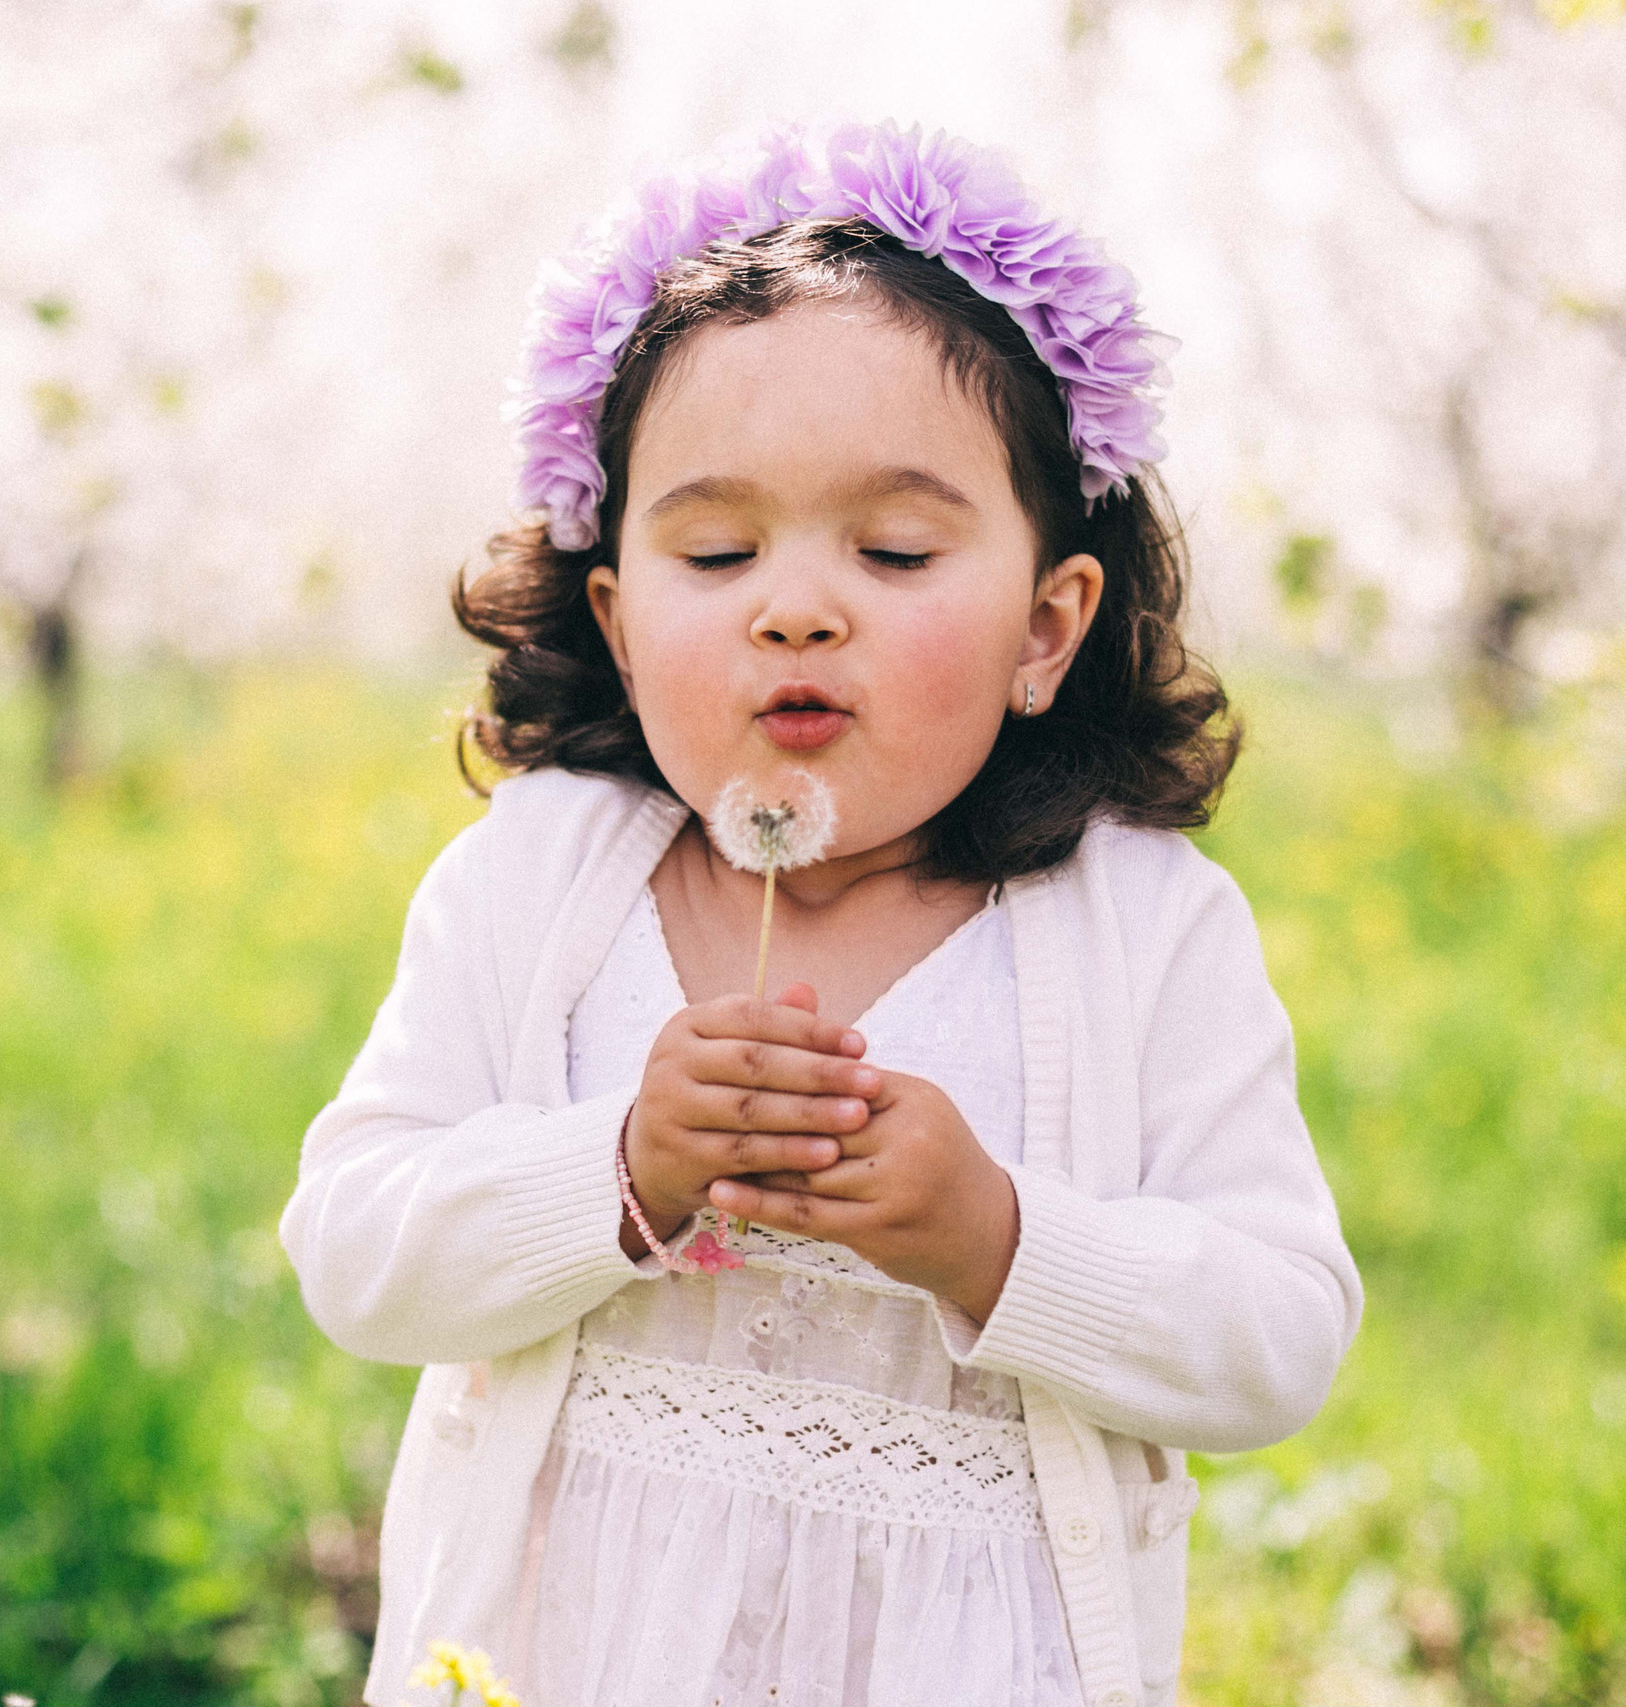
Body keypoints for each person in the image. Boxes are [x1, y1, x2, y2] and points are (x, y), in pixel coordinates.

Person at [279, 120, 1362, 1707]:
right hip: (575, 1650)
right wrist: (620, 1168)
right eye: (716, 549)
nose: (797, 604)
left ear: (1047, 627)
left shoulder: (1144, 928)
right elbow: (357, 1252)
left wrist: (995, 1239)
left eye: (897, 548)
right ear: (621, 619)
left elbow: (1278, 1334)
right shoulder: (538, 877)